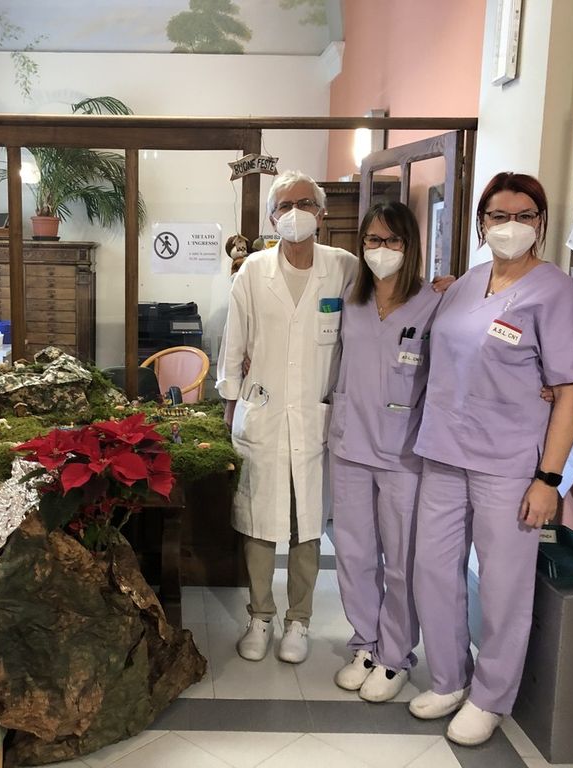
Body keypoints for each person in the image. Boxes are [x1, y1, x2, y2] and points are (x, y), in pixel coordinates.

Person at [410, 172, 573, 746]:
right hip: (443, 451)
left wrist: (548, 479)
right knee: (432, 569)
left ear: (541, 222)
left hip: (510, 463)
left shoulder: (555, 292)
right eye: (498, 216)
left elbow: (570, 392)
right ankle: (448, 678)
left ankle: (490, 696)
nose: (510, 226)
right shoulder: (466, 284)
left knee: (503, 585)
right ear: (481, 222)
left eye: (524, 216)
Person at [217, 169, 358, 664]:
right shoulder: (254, 271)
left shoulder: (343, 267)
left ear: (321, 212)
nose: (295, 213)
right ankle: (260, 615)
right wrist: (230, 402)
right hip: (264, 411)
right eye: (284, 206)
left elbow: (387, 306)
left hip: (315, 415)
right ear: (272, 218)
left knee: (306, 523)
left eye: (304, 203)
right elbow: (234, 341)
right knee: (259, 519)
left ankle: (299, 620)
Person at [327, 201, 442, 702]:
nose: (382, 249)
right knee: (353, 553)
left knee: (400, 560)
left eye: (393, 240)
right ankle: (365, 644)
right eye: (373, 240)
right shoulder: (351, 300)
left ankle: (395, 656)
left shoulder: (434, 303)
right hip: (350, 443)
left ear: (410, 245)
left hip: (403, 451)